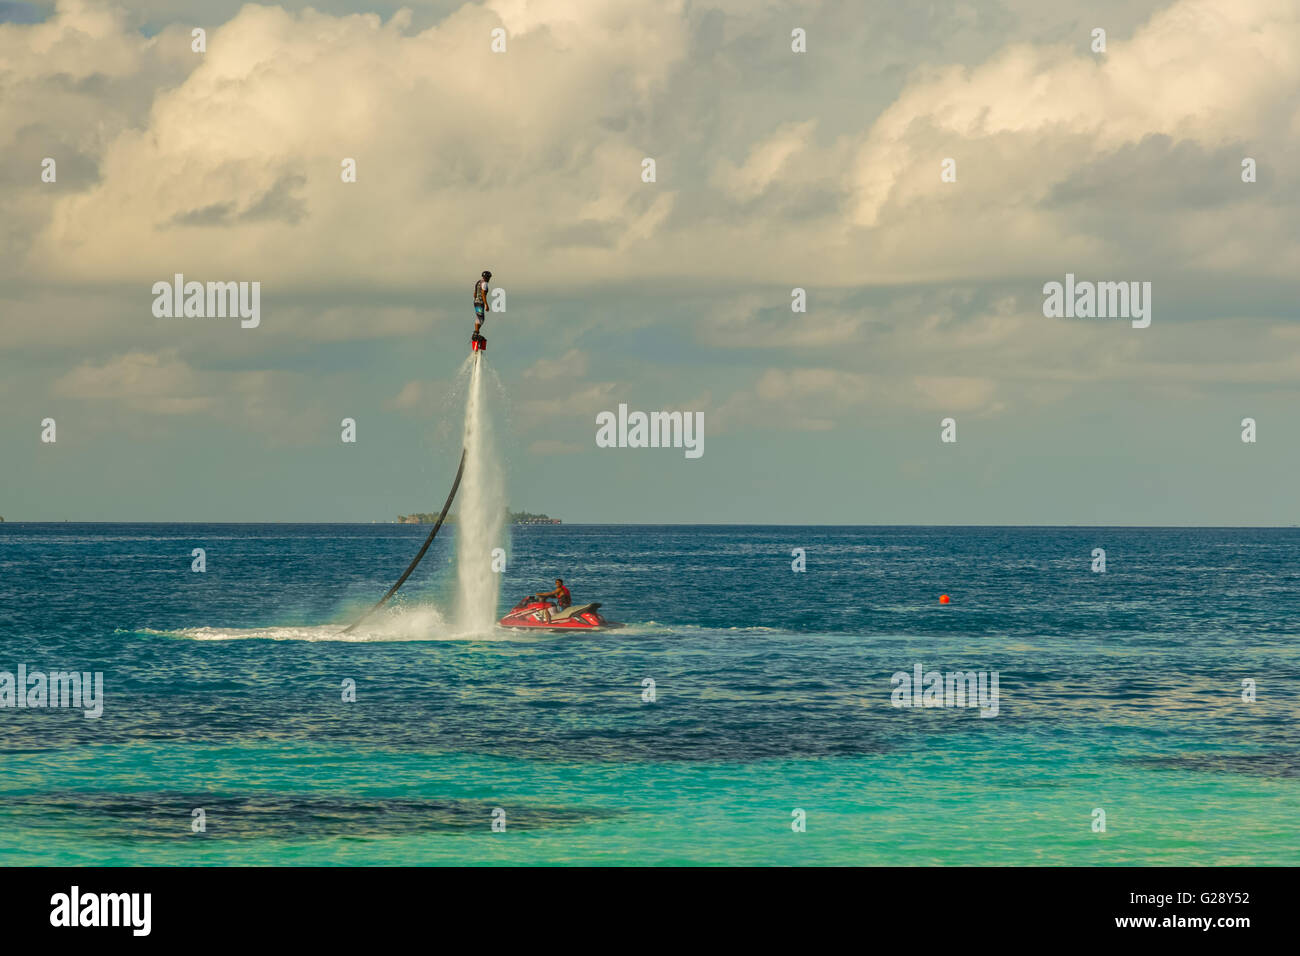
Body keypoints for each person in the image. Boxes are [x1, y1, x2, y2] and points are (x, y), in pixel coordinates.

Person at [473, 270, 492, 338]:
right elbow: (483, 294)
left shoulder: (478, 282)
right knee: (480, 318)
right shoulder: (485, 284)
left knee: (480, 317)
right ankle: (476, 333)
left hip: (476, 302)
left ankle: (476, 332)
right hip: (480, 302)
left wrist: (475, 300)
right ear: (487, 277)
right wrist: (486, 304)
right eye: (489, 277)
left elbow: (474, 293)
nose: (489, 279)